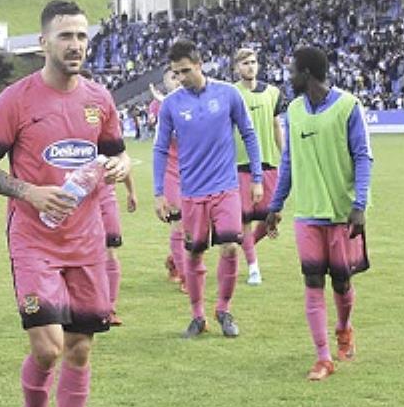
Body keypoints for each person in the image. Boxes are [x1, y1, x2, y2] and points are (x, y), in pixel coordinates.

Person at [0, 0, 130, 407]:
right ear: (43, 43)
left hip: (85, 244)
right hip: (34, 240)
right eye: (65, 36)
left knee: (81, 349)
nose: (76, 45)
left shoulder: (100, 100)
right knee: (48, 347)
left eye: (82, 36)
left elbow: (115, 155)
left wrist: (122, 168)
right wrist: (27, 190)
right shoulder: (16, 100)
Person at [265, 46, 373, 381]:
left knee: (341, 283)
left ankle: (344, 329)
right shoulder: (294, 110)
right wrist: (276, 204)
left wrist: (360, 205)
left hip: (342, 212)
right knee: (312, 281)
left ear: (307, 73)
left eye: (293, 71)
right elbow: (288, 163)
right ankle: (323, 357)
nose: (289, 78)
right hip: (308, 213)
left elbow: (363, 156)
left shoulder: (348, 106)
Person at [153, 39, 262, 338]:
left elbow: (249, 135)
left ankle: (224, 309)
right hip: (191, 194)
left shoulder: (227, 94)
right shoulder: (172, 104)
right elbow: (160, 148)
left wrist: (256, 178)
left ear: (199, 65)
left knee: (229, 247)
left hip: (225, 188)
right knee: (194, 255)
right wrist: (159, 192)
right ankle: (198, 315)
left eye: (185, 71)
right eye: (176, 73)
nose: (181, 78)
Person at [233, 48, 285, 286]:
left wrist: (284, 154)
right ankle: (253, 267)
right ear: (237, 68)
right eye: (245, 63)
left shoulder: (273, 93)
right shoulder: (232, 94)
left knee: (273, 216)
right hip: (240, 165)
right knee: (244, 218)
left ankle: (247, 245)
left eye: (253, 62)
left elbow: (276, 126)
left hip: (269, 164)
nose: (250, 66)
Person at [148, 69, 186, 292]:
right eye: (173, 77)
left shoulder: (198, 103)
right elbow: (159, 144)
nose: (178, 80)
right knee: (179, 224)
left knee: (198, 229)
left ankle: (174, 261)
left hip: (195, 173)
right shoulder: (160, 106)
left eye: (181, 75)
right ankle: (185, 276)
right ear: (166, 83)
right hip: (171, 172)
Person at [100, 171, 137, 325]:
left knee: (111, 252)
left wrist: (131, 192)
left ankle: (110, 308)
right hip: (80, 206)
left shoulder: (107, 146)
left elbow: (122, 160)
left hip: (107, 203)